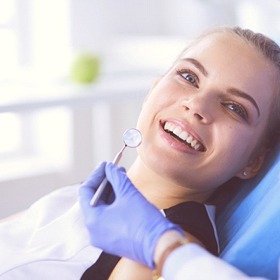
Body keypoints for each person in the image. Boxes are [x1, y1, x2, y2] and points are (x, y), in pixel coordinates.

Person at [0, 26, 279, 279]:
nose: (196, 105)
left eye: (234, 107)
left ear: (253, 161)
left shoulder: (160, 252)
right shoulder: (82, 195)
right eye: (188, 76)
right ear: (153, 88)